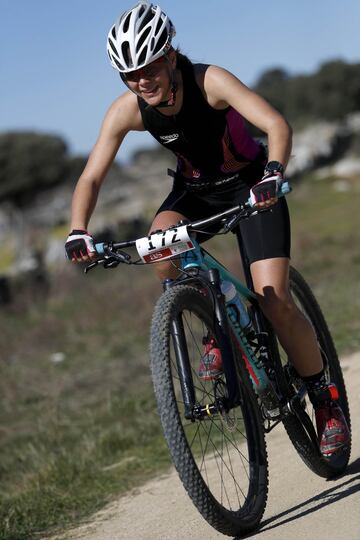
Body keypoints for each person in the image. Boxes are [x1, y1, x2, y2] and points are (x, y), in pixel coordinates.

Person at [65, 1, 349, 456]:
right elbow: (91, 176)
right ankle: (214, 324)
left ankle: (325, 399)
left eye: (150, 67)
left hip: (252, 187)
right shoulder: (128, 109)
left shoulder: (209, 80)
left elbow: (275, 123)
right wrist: (78, 230)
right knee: (160, 245)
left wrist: (274, 172)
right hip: (195, 192)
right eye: (130, 75)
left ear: (170, 56)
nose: (142, 81)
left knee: (275, 302)